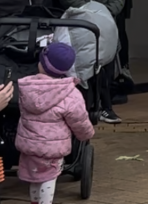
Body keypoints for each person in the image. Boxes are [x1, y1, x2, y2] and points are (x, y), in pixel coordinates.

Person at [13, 42, 96, 204]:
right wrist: (87, 134)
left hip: (29, 145)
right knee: (48, 178)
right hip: (52, 149)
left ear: (41, 64)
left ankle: (35, 201)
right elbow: (78, 120)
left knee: (35, 177)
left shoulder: (27, 87)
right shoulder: (70, 93)